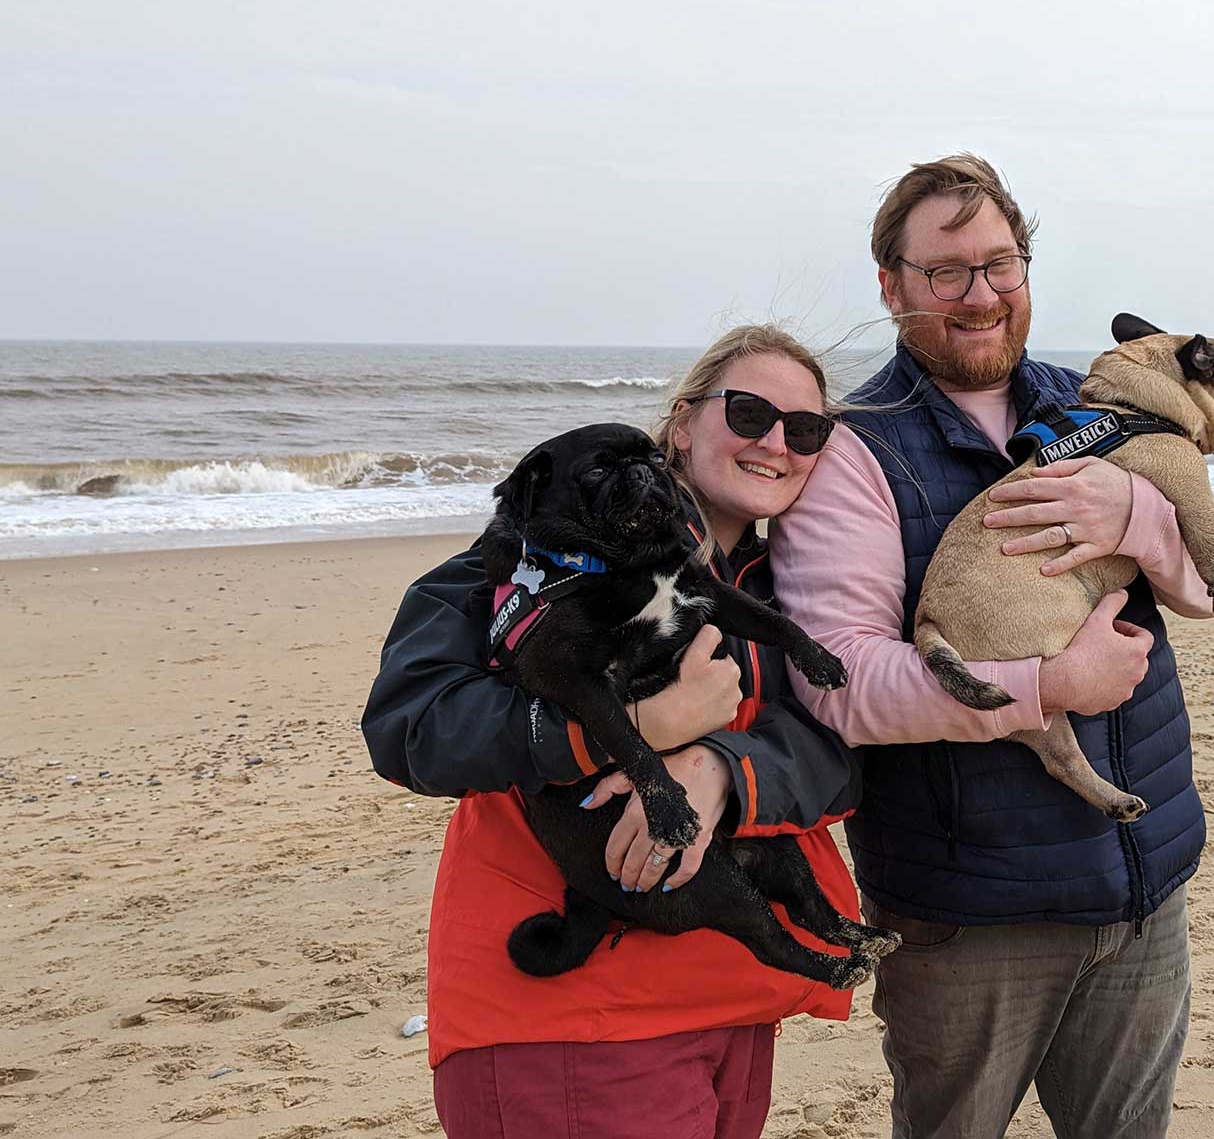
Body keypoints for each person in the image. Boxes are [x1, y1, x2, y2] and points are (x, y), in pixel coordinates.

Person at [770, 153, 1214, 1138]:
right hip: (971, 916)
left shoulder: (1097, 400)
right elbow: (843, 684)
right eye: (947, 271)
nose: (980, 294)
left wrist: (1132, 513)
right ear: (893, 285)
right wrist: (1047, 684)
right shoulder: (855, 447)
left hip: (1142, 878)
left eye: (1002, 265)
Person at [361, 325, 860, 1139]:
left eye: (805, 429)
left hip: (732, 995)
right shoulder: (534, 560)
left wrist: (722, 766)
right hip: (567, 1016)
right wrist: (627, 729)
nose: (776, 442)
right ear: (683, 423)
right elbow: (410, 727)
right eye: (749, 413)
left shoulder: (795, 592)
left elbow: (849, 758)